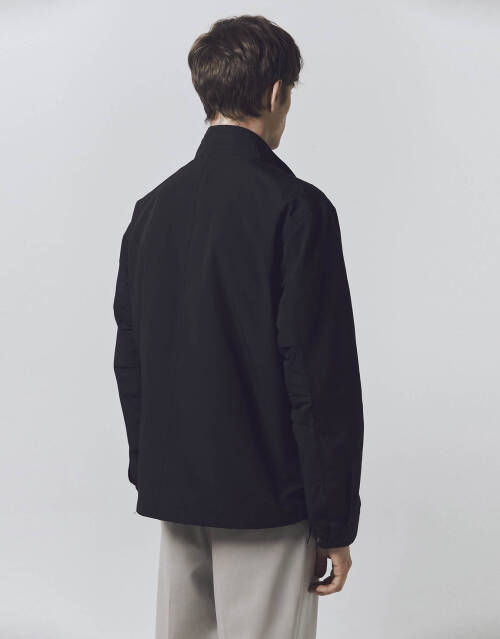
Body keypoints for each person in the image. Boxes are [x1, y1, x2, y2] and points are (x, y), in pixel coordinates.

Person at [113, 14, 364, 639]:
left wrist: (151, 469)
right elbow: (319, 377)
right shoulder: (298, 209)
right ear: (276, 94)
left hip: (177, 492)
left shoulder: (151, 211)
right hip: (269, 498)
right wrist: (334, 521)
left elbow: (131, 358)